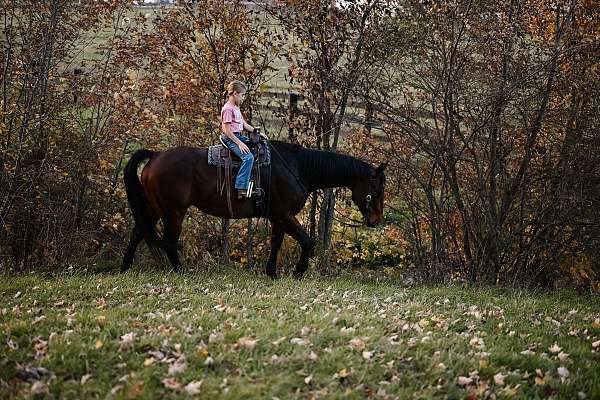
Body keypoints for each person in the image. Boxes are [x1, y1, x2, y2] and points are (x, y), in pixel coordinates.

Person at [220, 80, 259, 199]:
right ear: (235, 94)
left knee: (258, 146)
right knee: (248, 157)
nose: (242, 98)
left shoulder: (236, 107)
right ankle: (241, 188)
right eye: (242, 95)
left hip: (238, 136)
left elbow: (244, 124)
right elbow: (226, 130)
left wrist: (257, 132)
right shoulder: (227, 109)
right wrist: (240, 144)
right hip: (231, 138)